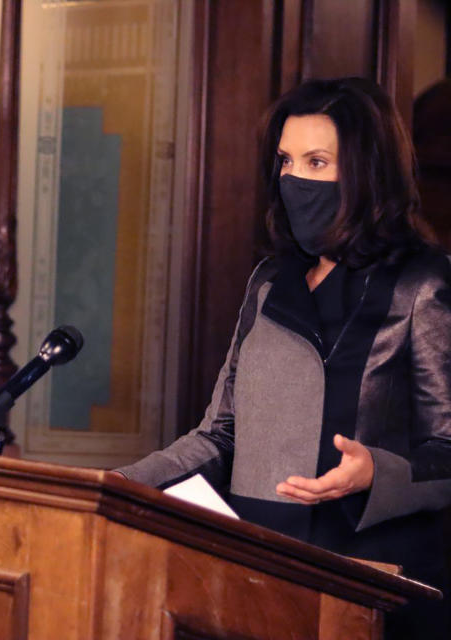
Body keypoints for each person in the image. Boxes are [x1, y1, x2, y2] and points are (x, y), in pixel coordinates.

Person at [114, 77, 451, 638]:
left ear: (368, 172)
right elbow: (219, 435)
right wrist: (116, 484)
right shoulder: (270, 281)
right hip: (257, 571)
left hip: (368, 580)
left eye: (317, 162)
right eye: (286, 161)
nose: (295, 179)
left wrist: (377, 471)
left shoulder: (425, 282)